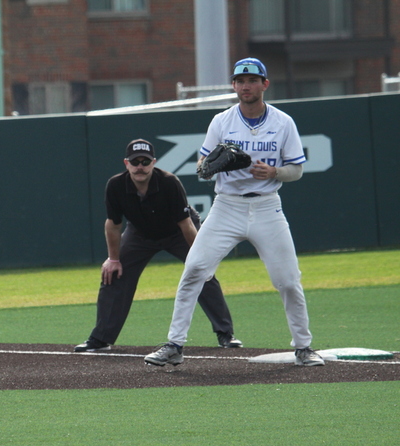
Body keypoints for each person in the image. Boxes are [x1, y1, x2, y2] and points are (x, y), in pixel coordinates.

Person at [144, 58, 324, 367]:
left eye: (252, 80)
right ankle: (174, 345)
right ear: (234, 86)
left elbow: (297, 170)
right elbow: (202, 166)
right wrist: (209, 167)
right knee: (194, 270)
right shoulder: (222, 121)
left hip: (267, 207)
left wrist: (275, 172)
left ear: (264, 84)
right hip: (226, 206)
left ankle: (304, 347)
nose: (246, 86)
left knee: (288, 280)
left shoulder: (283, 122)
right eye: (240, 81)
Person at [75, 138, 242, 353]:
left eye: (145, 162)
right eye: (135, 162)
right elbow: (113, 225)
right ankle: (100, 339)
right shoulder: (116, 185)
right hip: (140, 234)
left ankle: (225, 334)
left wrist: (200, 258)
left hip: (178, 231)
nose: (140, 167)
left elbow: (186, 224)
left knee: (202, 272)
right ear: (127, 164)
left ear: (154, 162)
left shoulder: (169, 182)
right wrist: (113, 259)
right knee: (114, 274)